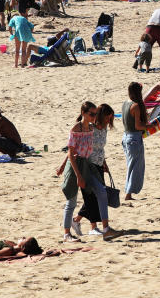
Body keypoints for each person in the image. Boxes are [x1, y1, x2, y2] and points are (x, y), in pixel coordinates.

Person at [59, 102, 121, 242]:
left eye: (95, 114)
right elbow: (71, 152)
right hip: (76, 166)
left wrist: (103, 162)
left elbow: (94, 149)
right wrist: (76, 174)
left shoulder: (91, 129)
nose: (94, 116)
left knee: (101, 191)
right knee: (72, 201)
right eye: (91, 114)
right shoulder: (76, 128)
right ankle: (67, 234)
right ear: (83, 113)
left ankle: (106, 229)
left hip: (88, 165)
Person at [121, 83, 154, 201]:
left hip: (126, 137)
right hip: (134, 138)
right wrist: (149, 126)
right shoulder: (136, 106)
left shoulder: (125, 103)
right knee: (135, 167)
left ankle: (128, 192)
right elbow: (138, 126)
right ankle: (128, 194)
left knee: (131, 165)